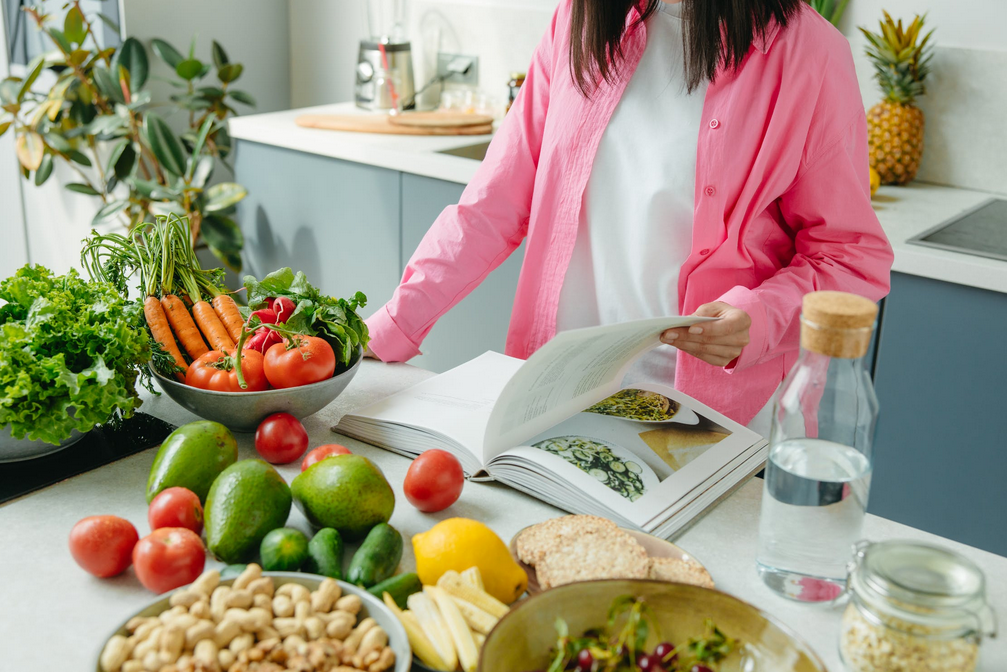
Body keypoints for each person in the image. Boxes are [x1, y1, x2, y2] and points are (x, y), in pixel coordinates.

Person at [364, 0, 893, 435]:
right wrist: (387, 329)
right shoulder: (580, 19)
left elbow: (850, 257)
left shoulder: (809, 53)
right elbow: (493, 204)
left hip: (712, 421)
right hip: (560, 393)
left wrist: (761, 318)